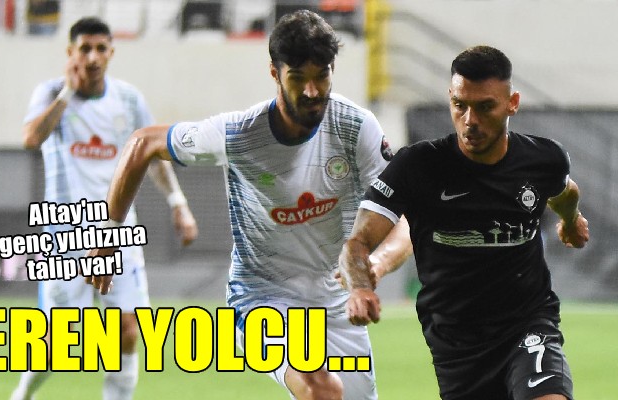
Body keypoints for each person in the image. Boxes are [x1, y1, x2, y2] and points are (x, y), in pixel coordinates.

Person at [87, 10, 412, 400]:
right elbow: (142, 144)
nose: (312, 92)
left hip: (337, 303)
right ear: (275, 73)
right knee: (321, 390)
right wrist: (108, 234)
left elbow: (401, 218)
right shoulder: (239, 135)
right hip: (263, 300)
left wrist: (374, 265)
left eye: (322, 76)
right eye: (298, 78)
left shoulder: (355, 127)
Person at [339, 45, 590, 400]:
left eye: (485, 107)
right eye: (460, 105)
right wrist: (360, 287)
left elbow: (565, 192)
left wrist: (571, 220)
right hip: (457, 344)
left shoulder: (543, 159)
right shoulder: (418, 166)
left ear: (512, 103)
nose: (470, 120)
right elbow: (357, 243)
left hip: (527, 323)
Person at [10, 17, 198, 400]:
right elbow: (31, 138)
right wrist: (67, 93)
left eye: (100, 49)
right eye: (85, 49)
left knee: (128, 330)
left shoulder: (128, 99)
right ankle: (24, 392)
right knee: (57, 345)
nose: (93, 57)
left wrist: (178, 202)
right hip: (64, 238)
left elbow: (152, 156)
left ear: (112, 52)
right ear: (70, 52)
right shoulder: (51, 93)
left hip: (118, 234)